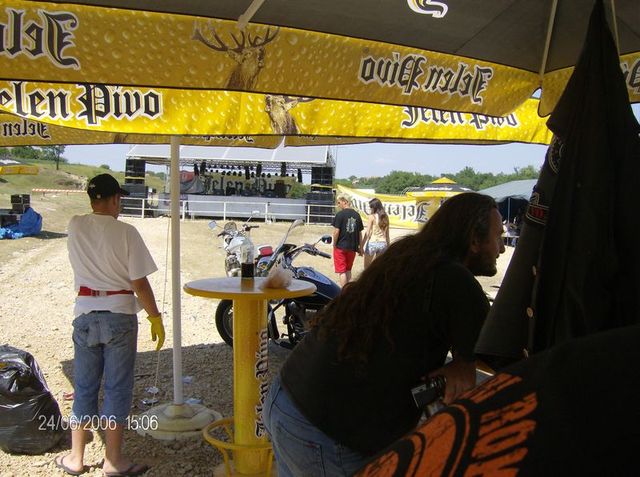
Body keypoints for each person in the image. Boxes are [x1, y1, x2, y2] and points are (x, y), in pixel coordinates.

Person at [263, 192, 505, 476]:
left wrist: (462, 363)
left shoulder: (406, 255)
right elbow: (498, 358)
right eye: (498, 236)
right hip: (326, 434)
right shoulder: (456, 280)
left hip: (286, 399)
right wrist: (464, 365)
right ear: (474, 240)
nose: (502, 247)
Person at [55, 173, 164, 477]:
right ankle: (114, 461)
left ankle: (75, 458)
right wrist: (155, 316)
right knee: (117, 388)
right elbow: (139, 283)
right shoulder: (127, 232)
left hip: (85, 313)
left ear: (92, 199)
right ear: (115, 199)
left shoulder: (75, 225)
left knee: (84, 386)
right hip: (119, 314)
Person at [331, 193, 364, 286]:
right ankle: (348, 290)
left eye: (339, 202)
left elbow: (336, 231)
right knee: (348, 270)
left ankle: (344, 291)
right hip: (352, 247)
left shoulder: (340, 215)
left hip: (340, 246)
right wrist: (360, 247)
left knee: (342, 271)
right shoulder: (357, 215)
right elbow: (360, 233)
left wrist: (334, 244)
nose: (338, 205)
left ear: (345, 201)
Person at [362, 197, 391, 269]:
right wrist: (388, 246)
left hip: (373, 242)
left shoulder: (372, 217)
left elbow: (367, 232)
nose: (370, 209)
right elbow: (387, 235)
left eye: (371, 207)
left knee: (366, 268)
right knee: (378, 267)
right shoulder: (385, 217)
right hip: (383, 243)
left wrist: (361, 245)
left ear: (374, 207)